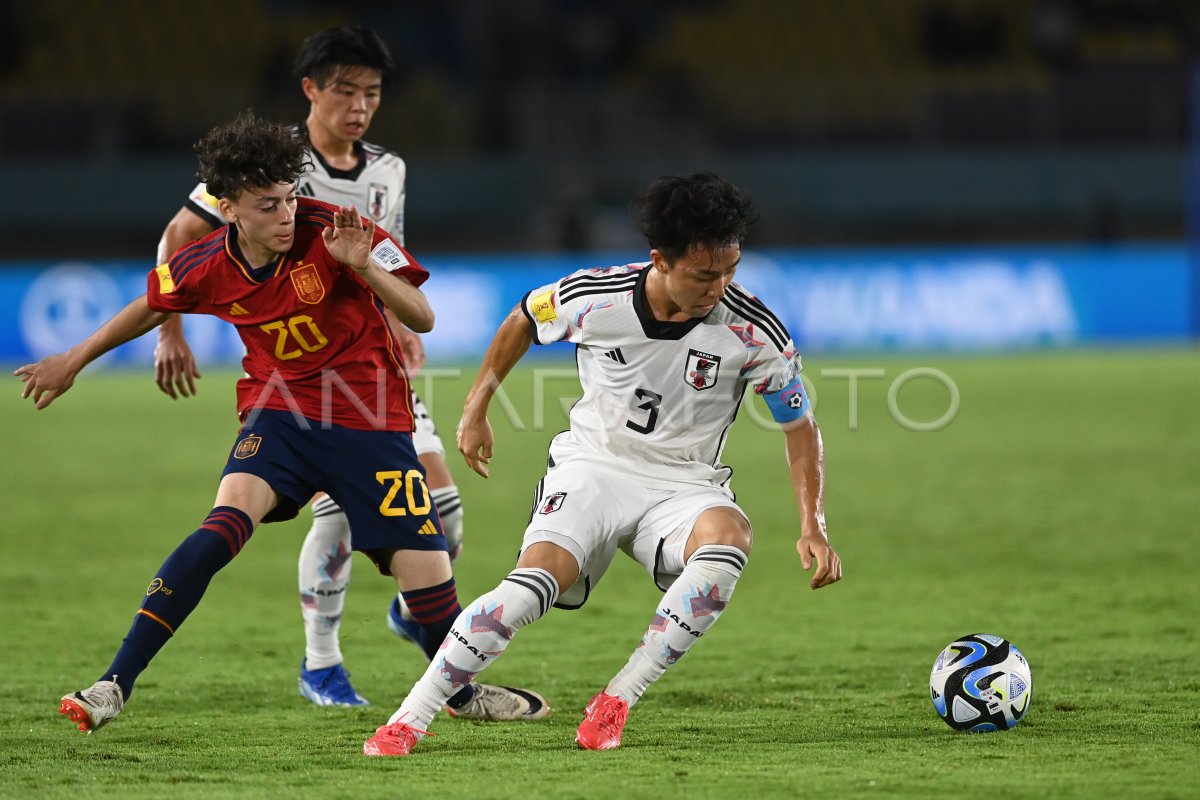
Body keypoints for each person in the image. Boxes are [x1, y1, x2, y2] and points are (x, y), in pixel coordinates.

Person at [15, 111, 546, 734]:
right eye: (267, 205)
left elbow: (423, 315)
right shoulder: (207, 263)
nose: (286, 214)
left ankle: (459, 693)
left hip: (370, 420)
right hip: (280, 413)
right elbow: (148, 306)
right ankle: (113, 683)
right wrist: (73, 359)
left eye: (290, 198)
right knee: (223, 525)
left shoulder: (338, 231)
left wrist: (363, 267)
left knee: (431, 590)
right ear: (229, 206)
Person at [362, 172, 843, 756]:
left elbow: (799, 426)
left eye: (729, 270)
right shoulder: (595, 297)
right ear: (659, 260)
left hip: (684, 483)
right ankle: (409, 719)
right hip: (593, 468)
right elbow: (521, 318)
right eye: (703, 274)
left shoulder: (754, 330)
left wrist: (812, 523)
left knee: (729, 541)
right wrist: (476, 407)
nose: (719, 287)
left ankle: (616, 699)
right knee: (528, 591)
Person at [152, 26, 469, 709]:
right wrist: (170, 332)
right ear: (311, 90)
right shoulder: (269, 165)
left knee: (444, 511)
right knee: (335, 517)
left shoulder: (389, 169)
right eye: (345, 90)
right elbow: (182, 236)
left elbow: (390, 254)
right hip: (300, 376)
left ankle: (414, 611)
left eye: (372, 93)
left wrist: (396, 317)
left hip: (374, 366)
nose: (359, 106)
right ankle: (320, 663)